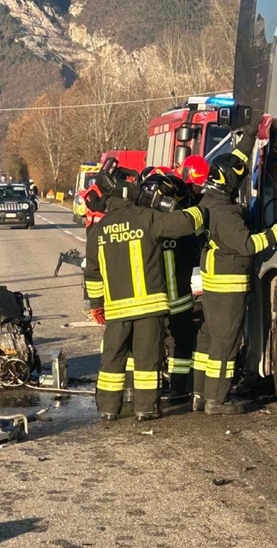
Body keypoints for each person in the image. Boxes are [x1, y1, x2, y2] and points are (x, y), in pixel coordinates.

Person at [83, 164, 206, 422]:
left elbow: (93, 273)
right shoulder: (146, 218)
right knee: (147, 359)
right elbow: (183, 223)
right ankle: (146, 408)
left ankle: (107, 408)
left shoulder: (98, 231)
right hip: (149, 307)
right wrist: (204, 208)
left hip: (116, 309)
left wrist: (97, 305)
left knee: (113, 359)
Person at [192, 128, 277, 415]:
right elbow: (247, 245)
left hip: (213, 286)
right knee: (226, 343)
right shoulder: (227, 215)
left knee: (209, 338)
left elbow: (232, 163)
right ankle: (217, 400)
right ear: (230, 184)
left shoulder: (210, 202)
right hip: (228, 287)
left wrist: (250, 135)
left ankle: (201, 394)